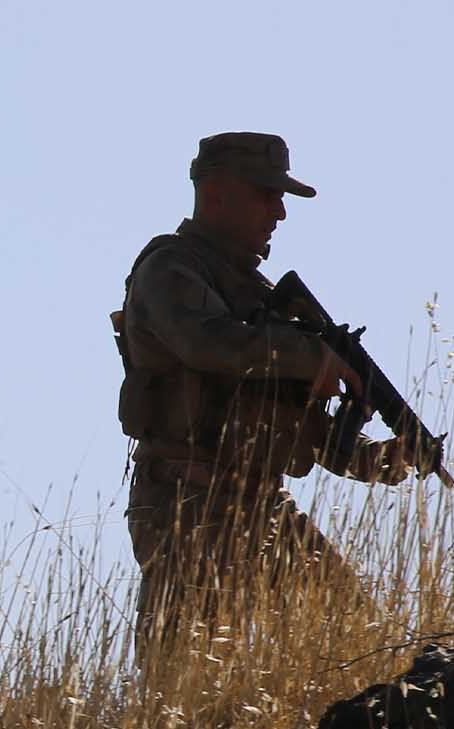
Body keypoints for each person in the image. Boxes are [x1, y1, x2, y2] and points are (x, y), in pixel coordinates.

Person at [113, 132, 413, 665]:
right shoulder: (170, 269)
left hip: (260, 507)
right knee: (180, 684)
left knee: (361, 640)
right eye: (266, 194)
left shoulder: (255, 293)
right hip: (189, 504)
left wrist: (372, 458)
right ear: (215, 195)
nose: (278, 213)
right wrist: (309, 354)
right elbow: (204, 343)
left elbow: (289, 420)